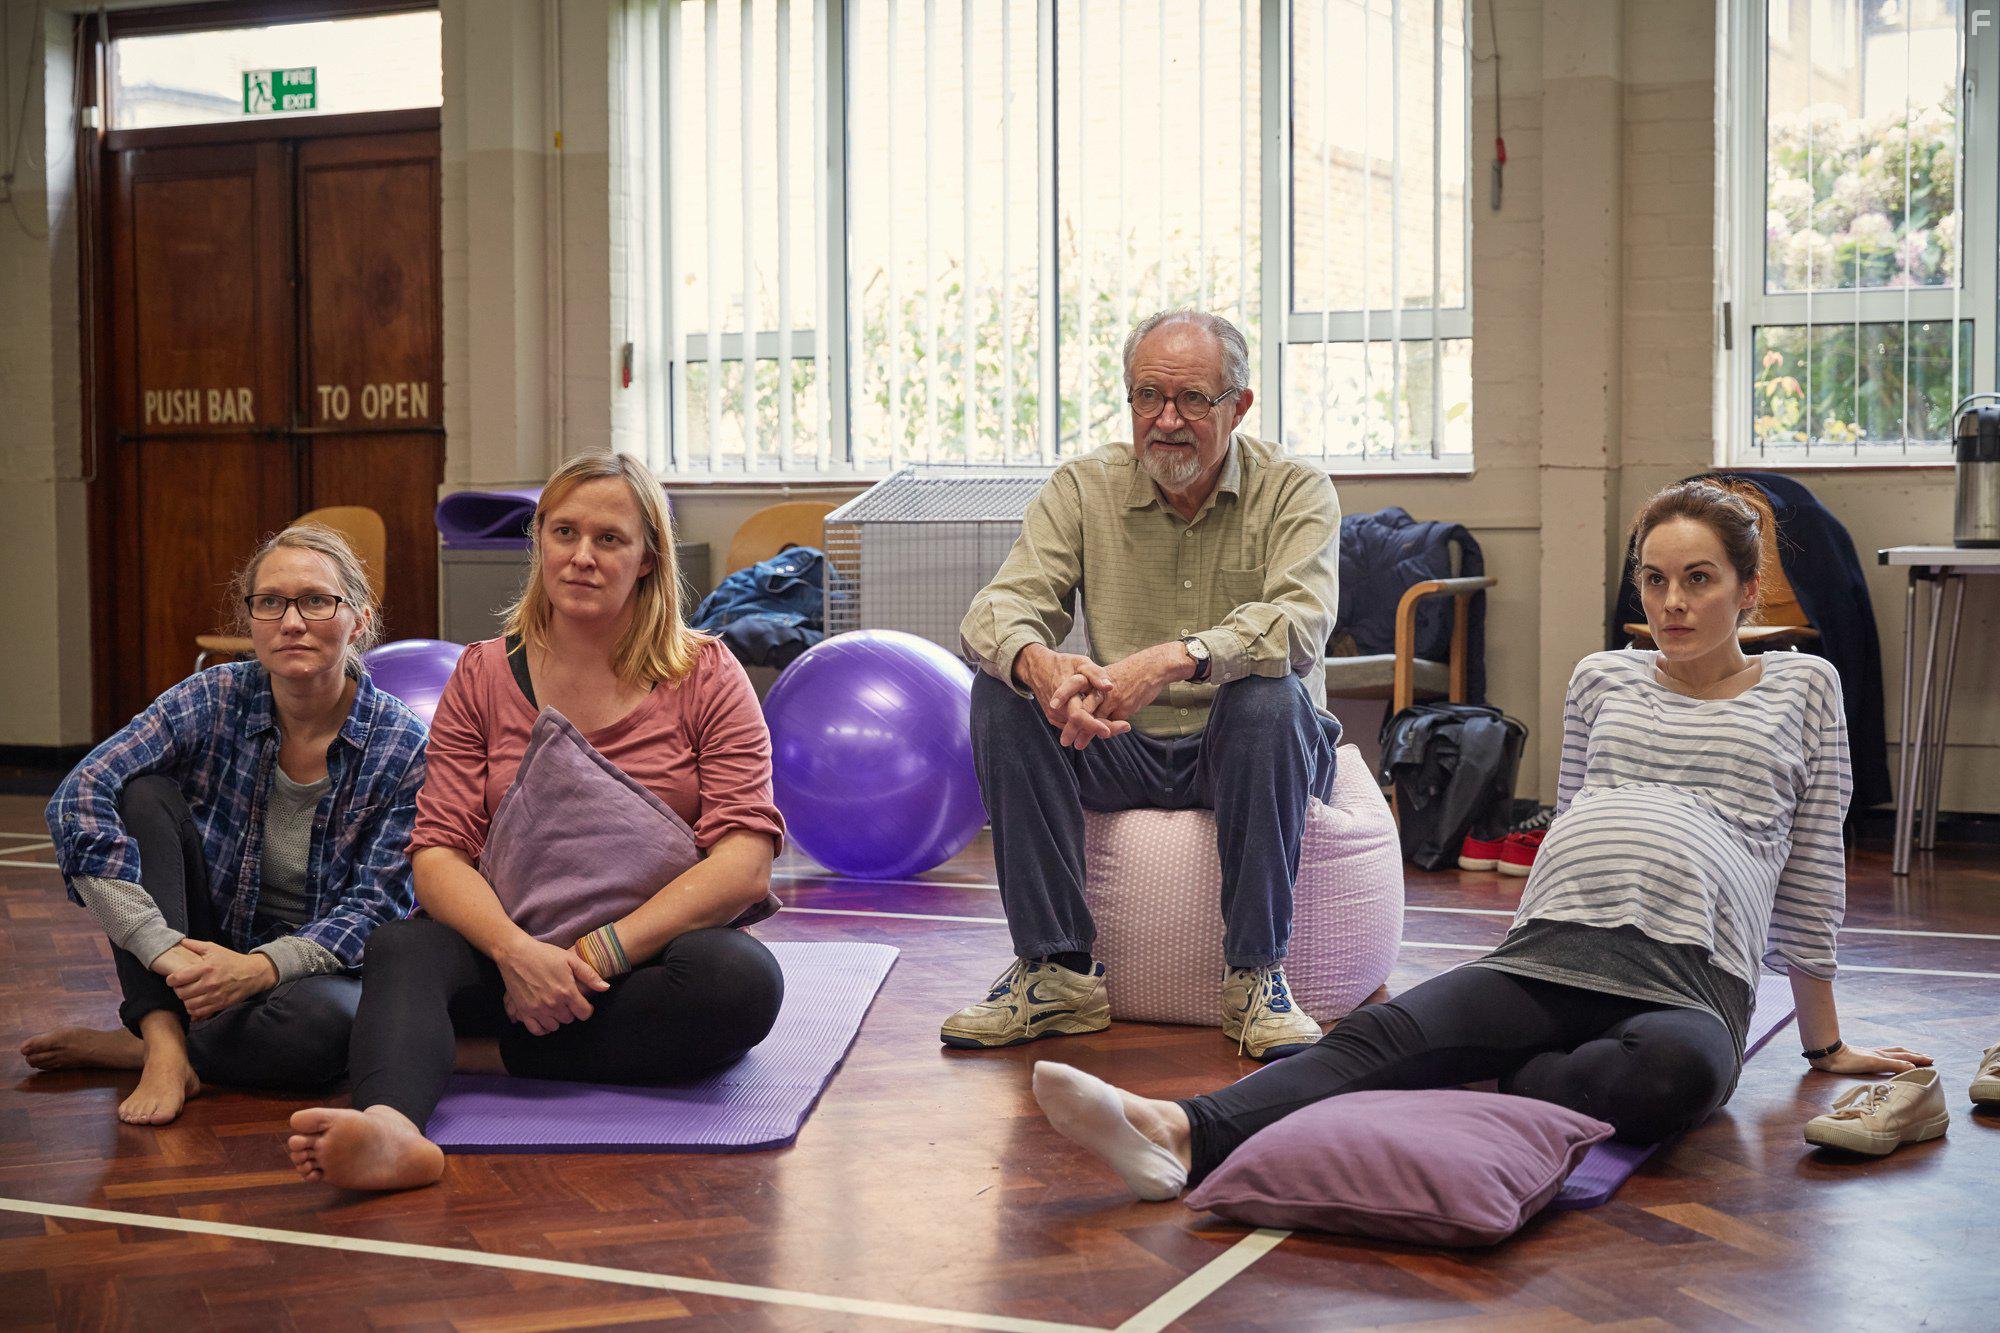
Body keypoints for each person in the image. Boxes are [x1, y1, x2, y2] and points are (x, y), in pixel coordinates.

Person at [1028, 479, 1932, 1200]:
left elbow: (1813, 860)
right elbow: (1571, 817)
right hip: (1549, 950)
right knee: (1376, 1034)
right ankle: (1178, 1130)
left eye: (1698, 579)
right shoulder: (1602, 677)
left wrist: (1822, 1045)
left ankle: (1492, 1072)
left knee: (1678, 1075)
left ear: (1745, 585)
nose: (1672, 602)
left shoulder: (1804, 687)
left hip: (1689, 974)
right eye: (1654, 579)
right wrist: (1501, 972)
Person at [287, 451, 786, 1192]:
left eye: (609, 539)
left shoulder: (708, 674)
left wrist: (596, 955)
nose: (582, 556)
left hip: (642, 963)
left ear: (648, 557)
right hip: (509, 954)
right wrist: (519, 955)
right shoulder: (483, 674)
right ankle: (393, 1128)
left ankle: (478, 1054)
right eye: (564, 532)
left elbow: (743, 861)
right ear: (539, 542)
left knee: (741, 981)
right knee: (403, 947)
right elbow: (437, 855)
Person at [947, 309, 1343, 1061]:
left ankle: (1255, 975)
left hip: (1250, 742)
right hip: (1122, 744)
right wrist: (1041, 662)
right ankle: (1057, 971)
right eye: (1147, 397)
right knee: (1003, 690)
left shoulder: (1297, 488)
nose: (1167, 420)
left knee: (1269, 694)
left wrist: (1169, 659)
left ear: (1239, 406)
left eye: (1193, 399)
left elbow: (1301, 625)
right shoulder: (1084, 486)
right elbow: (996, 610)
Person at [25, 525, 427, 1125]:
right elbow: (78, 793)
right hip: (198, 948)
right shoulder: (213, 696)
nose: (291, 622)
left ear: (360, 620)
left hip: (309, 969)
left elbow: (378, 906)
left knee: (330, 1029)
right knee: (143, 797)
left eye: (316, 601)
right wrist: (161, 950)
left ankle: (146, 1047)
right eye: (270, 603)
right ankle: (162, 1042)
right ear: (252, 618)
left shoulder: (403, 745)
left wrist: (259, 968)